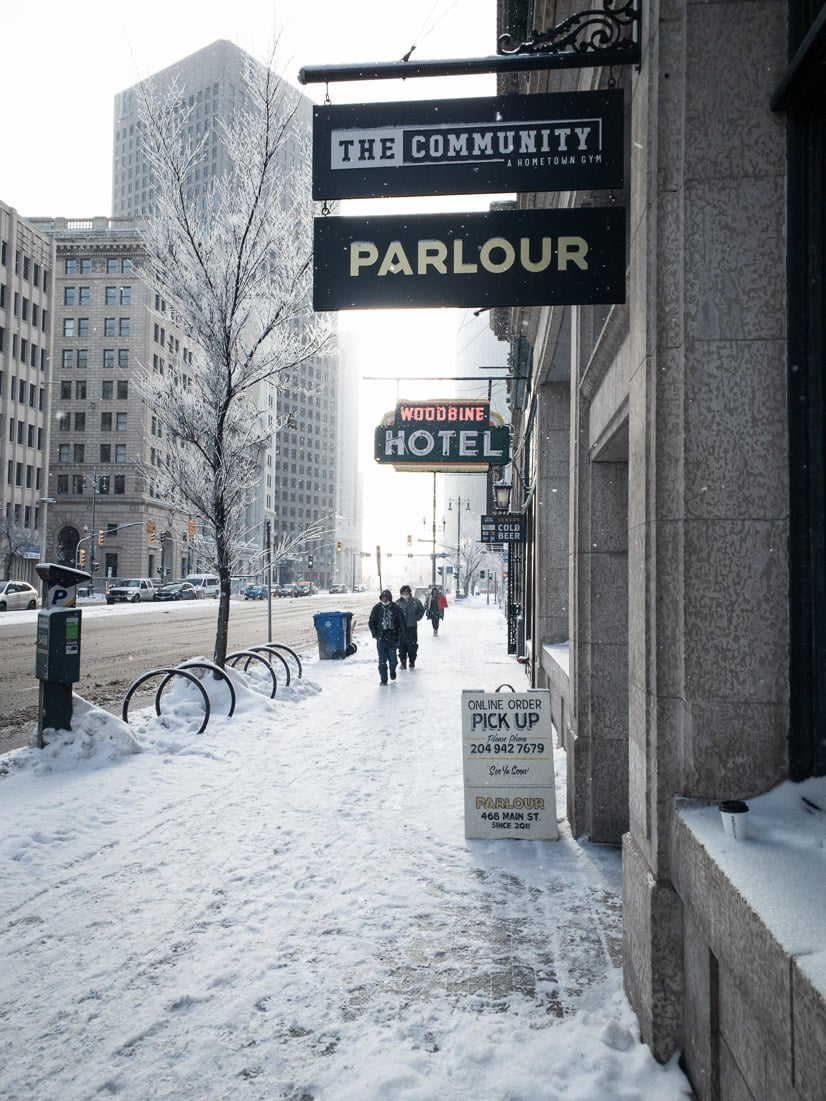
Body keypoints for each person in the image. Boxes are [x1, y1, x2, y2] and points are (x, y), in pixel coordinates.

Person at [368, 588, 402, 685]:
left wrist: (399, 635)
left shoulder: (395, 608)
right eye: (383, 598)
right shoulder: (377, 608)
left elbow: (401, 622)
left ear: (390, 598)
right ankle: (383, 679)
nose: (384, 600)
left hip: (392, 637)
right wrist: (375, 634)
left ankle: (392, 670)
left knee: (393, 660)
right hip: (381, 638)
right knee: (382, 661)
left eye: (386, 598)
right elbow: (371, 622)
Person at [397, 584, 425, 669]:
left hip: (412, 627)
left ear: (409, 592)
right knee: (401, 646)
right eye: (403, 592)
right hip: (401, 629)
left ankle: (412, 661)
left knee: (412, 646)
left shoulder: (415, 601)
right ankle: (403, 662)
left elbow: (421, 610)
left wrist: (416, 618)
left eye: (407, 592)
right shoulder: (397, 603)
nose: (405, 593)